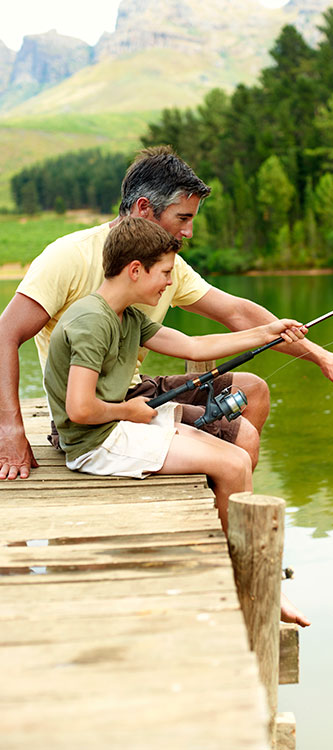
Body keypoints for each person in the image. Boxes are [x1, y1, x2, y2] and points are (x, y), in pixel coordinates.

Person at [0, 144, 333, 484]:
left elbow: (236, 313)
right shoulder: (69, 256)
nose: (190, 231)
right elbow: (6, 335)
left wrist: (321, 356)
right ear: (144, 209)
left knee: (253, 391)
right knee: (239, 436)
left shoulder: (166, 266)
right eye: (183, 218)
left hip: (135, 389)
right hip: (91, 412)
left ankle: (222, 496)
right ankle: (225, 484)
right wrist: (10, 429)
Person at [45, 216, 309, 624]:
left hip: (118, 428)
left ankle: (244, 571)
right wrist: (128, 411)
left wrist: (266, 332)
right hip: (95, 443)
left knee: (231, 451)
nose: (168, 282)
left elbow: (192, 344)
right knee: (234, 463)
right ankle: (257, 586)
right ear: (136, 270)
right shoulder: (92, 320)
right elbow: (79, 409)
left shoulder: (126, 316)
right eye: (164, 272)